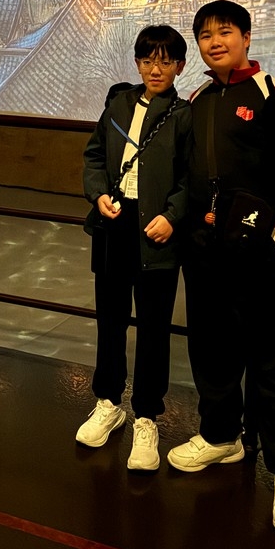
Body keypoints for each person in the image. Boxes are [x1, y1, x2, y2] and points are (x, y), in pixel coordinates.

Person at [166, 0, 275, 536]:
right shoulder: (198, 99)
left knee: (274, 356)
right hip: (206, 248)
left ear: (247, 37)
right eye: (205, 35)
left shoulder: (274, 95)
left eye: (225, 32)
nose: (215, 42)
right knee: (211, 347)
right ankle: (220, 436)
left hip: (264, 246)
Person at [78, 25, 193, 471]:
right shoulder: (118, 103)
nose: (155, 69)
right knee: (109, 320)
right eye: (147, 60)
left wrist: (174, 215)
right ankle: (108, 403)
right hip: (114, 223)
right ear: (137, 63)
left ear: (180, 66)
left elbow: (192, 178)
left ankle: (146, 416)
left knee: (153, 328)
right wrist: (97, 195)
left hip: (156, 230)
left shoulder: (183, 115)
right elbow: (93, 156)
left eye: (165, 61)